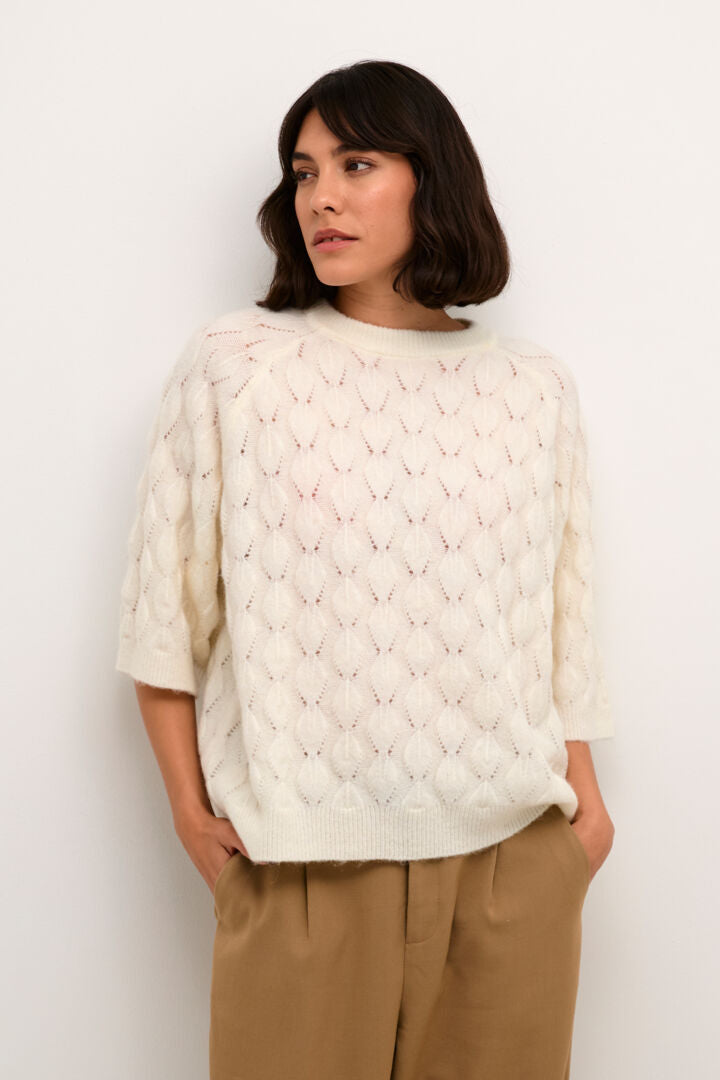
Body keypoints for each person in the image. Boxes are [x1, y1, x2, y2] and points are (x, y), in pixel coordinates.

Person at [115, 59, 616, 1080]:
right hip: (300, 868)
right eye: (303, 173)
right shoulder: (237, 366)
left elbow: (558, 628)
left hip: (512, 865)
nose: (321, 198)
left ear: (433, 179)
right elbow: (163, 623)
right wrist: (191, 819)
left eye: (356, 164)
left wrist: (584, 825)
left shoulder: (533, 388)